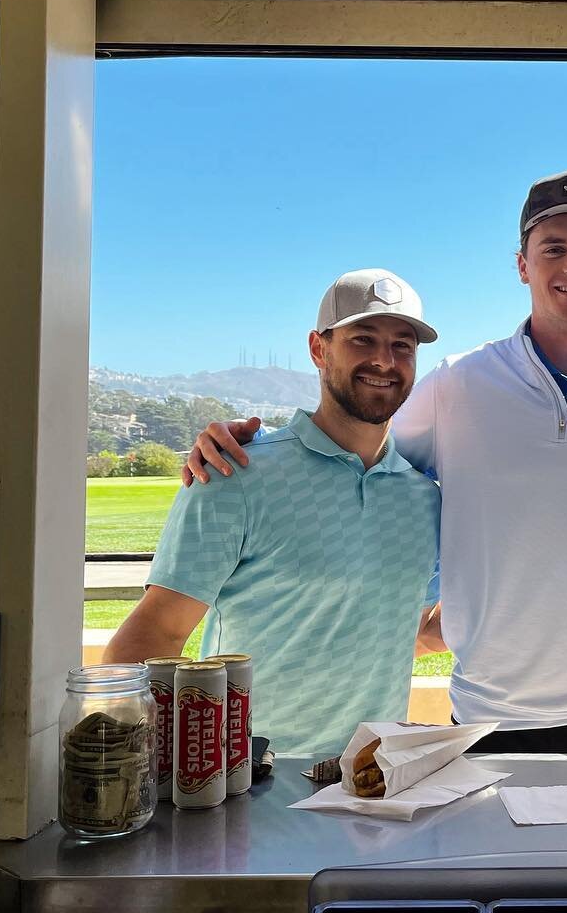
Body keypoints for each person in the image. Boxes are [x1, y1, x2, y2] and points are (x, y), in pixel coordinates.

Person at [189, 171, 567, 754]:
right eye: (554, 249)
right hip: (491, 709)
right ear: (522, 264)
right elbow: (354, 447)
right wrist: (251, 444)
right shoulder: (455, 387)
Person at [102, 270, 441, 756]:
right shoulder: (234, 472)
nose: (384, 361)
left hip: (369, 785)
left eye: (402, 346)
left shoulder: (421, 497)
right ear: (318, 349)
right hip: (245, 786)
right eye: (362, 339)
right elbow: (154, 635)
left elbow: (410, 632)